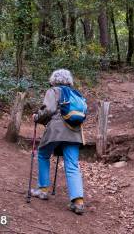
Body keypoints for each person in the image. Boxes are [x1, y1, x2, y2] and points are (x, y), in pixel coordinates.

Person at [30, 69, 86, 215]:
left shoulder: (53, 91)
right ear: (69, 80)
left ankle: (42, 189)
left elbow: (49, 110)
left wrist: (37, 117)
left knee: (43, 154)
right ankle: (78, 201)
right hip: (74, 132)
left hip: (56, 130)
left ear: (54, 79)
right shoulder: (76, 94)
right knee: (72, 165)